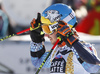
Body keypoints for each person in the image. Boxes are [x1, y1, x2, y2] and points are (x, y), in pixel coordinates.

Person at [30, 3, 100, 74]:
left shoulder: (84, 47)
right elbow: (37, 62)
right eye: (44, 29)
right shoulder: (57, 50)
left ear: (59, 27)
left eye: (48, 29)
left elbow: (94, 68)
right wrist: (36, 39)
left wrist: (72, 39)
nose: (46, 34)